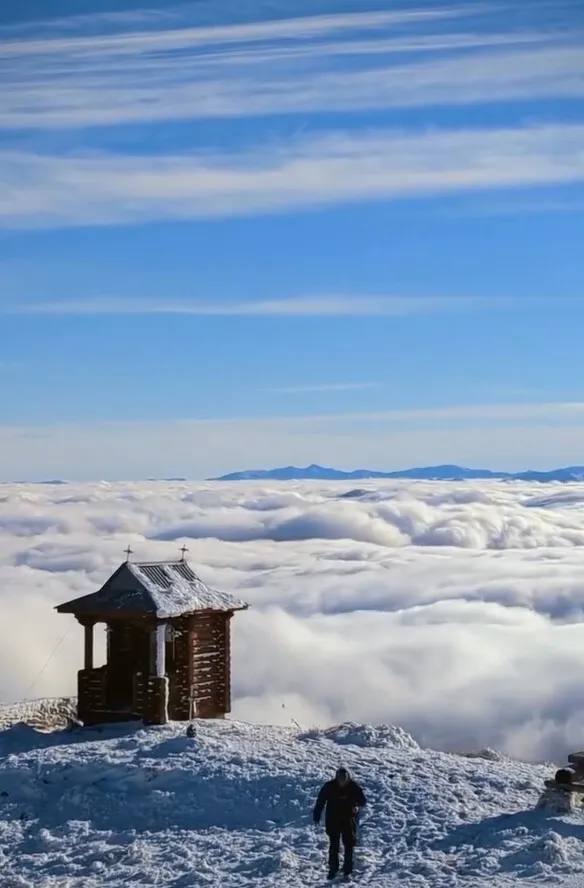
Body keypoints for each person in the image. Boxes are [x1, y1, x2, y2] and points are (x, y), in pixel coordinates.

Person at [313, 767, 366, 880]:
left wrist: (356, 803)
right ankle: (333, 869)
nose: (342, 782)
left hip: (348, 819)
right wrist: (317, 813)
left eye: (344, 779)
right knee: (334, 846)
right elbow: (321, 801)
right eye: (340, 779)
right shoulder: (329, 787)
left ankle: (347, 869)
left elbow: (362, 800)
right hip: (333, 819)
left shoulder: (353, 786)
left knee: (349, 845)